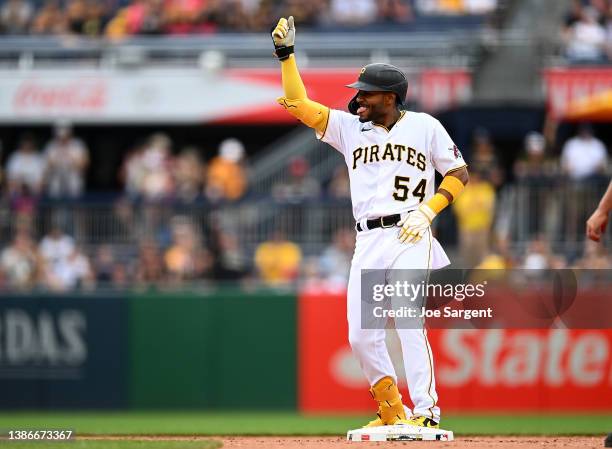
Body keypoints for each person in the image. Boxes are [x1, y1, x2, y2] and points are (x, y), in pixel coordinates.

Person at [271, 17, 468, 429]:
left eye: (366, 93)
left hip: (411, 230)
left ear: (391, 98)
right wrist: (287, 58)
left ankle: (426, 412)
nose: (358, 98)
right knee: (361, 336)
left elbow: (458, 173)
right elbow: (299, 105)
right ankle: (391, 409)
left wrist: (429, 209)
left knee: (407, 317)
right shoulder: (349, 129)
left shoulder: (425, 126)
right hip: (368, 240)